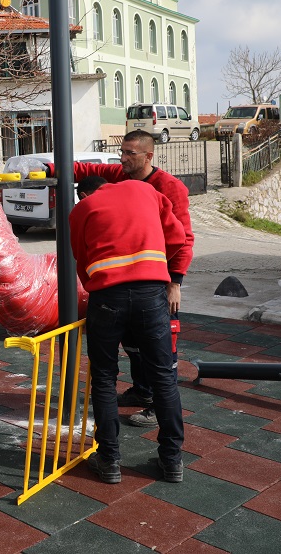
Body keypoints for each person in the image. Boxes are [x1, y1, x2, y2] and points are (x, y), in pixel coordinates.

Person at [73, 129, 194, 427]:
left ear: (148, 156)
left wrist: (174, 281)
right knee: (133, 343)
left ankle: (156, 406)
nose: (123, 159)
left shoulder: (169, 187)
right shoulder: (121, 177)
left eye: (130, 154)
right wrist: (49, 167)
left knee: (162, 351)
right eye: (122, 153)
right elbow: (88, 170)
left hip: (155, 282)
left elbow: (183, 238)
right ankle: (142, 390)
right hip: (125, 282)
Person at [70, 178, 187, 484]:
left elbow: (81, 258)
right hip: (151, 293)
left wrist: (98, 282)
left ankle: (109, 460)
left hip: (107, 296)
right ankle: (172, 460)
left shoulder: (83, 208)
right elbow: (178, 237)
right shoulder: (146, 191)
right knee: (163, 376)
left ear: (85, 193)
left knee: (104, 378)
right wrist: (154, 264)